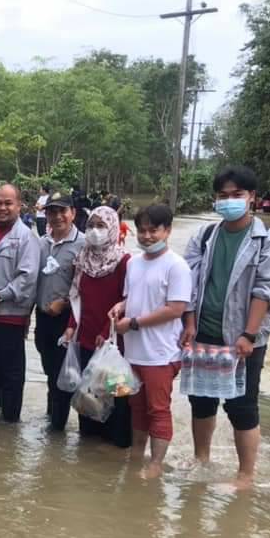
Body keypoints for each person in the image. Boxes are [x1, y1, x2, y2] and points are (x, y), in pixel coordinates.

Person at [181, 165, 270, 485]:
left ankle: (246, 474)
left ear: (252, 198)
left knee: (242, 406)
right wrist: (189, 322)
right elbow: (188, 284)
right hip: (204, 332)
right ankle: (201, 458)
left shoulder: (268, 240)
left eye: (237, 195)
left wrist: (248, 334)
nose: (229, 201)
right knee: (201, 400)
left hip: (243, 338)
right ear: (215, 200)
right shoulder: (204, 236)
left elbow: (266, 290)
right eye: (223, 196)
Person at [109, 204, 191, 479]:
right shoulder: (133, 262)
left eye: (153, 230)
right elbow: (132, 297)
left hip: (161, 353)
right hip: (134, 351)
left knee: (158, 409)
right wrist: (120, 308)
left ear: (167, 230)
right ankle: (137, 455)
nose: (146, 236)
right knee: (137, 407)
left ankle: (156, 464)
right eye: (142, 230)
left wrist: (132, 323)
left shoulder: (177, 266)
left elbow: (175, 308)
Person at [62, 206, 131, 447]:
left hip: (113, 343)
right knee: (88, 397)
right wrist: (71, 326)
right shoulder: (82, 258)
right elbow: (76, 297)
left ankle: (118, 449)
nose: (94, 231)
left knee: (115, 396)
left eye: (101, 226)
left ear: (113, 227)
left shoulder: (124, 261)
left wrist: (105, 331)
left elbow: (126, 300)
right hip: (85, 338)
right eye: (90, 226)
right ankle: (89, 453)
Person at [0, 184, 40, 423]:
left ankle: (10, 423)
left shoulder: (26, 238)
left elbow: (27, 278)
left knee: (12, 371)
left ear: (19, 206)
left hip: (9, 315)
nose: (2, 208)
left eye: (8, 203)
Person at [34, 192, 85, 430]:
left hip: (67, 322)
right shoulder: (41, 243)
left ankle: (57, 432)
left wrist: (64, 302)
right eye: (51, 212)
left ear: (73, 213)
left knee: (62, 378)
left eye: (62, 211)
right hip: (42, 319)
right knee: (49, 373)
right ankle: (50, 417)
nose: (57, 217)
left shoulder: (84, 244)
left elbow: (87, 287)